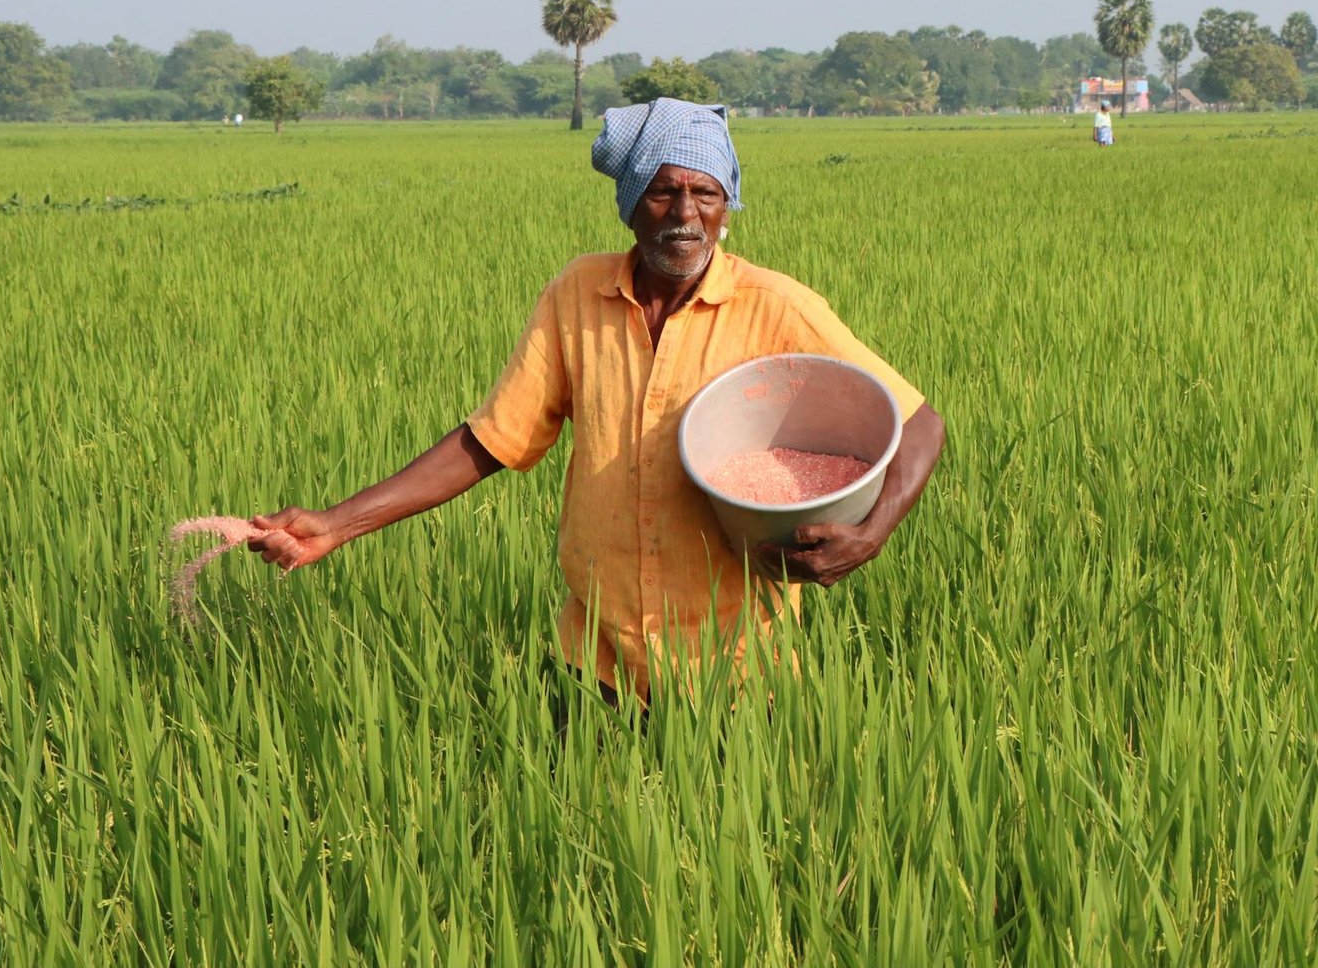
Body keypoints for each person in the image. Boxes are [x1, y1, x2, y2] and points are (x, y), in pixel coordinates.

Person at [245, 97, 945, 704]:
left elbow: (919, 422)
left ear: (728, 204)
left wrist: (871, 533)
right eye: (664, 192)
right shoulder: (577, 295)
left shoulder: (776, 306)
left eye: (706, 193)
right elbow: (491, 441)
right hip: (597, 658)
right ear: (631, 202)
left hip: (736, 670)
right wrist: (337, 525)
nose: (686, 215)